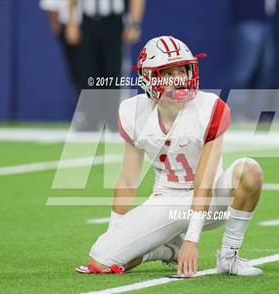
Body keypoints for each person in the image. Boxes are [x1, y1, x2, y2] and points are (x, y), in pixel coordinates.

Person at [76, 36, 264, 277]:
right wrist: (116, 231)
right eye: (168, 72)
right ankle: (167, 251)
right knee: (101, 261)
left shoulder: (210, 107)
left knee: (249, 170)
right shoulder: (133, 112)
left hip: (213, 202)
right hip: (165, 200)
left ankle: (229, 256)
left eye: (182, 70)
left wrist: (192, 241)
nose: (179, 79)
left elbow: (204, 181)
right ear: (149, 78)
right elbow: (127, 181)